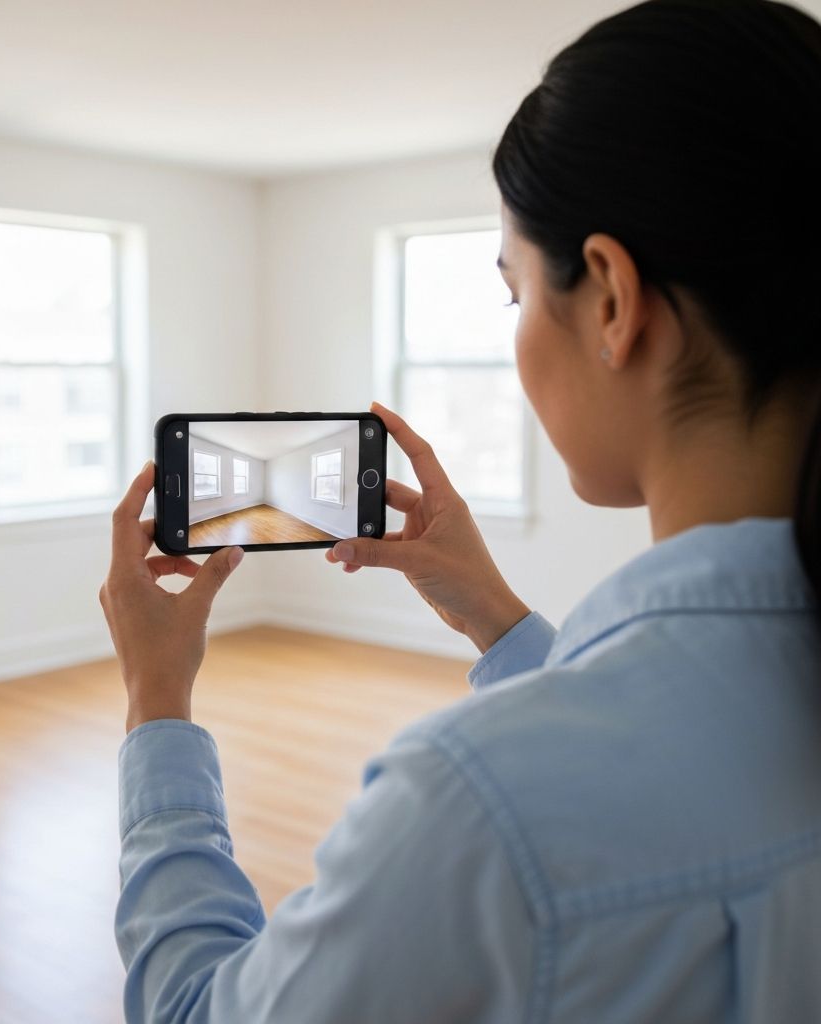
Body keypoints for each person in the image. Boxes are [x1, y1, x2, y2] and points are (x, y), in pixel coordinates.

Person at [98, 0, 821, 1019]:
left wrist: (156, 704)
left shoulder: (477, 800)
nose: (517, 330)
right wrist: (499, 619)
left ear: (612, 300)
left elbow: (192, 1010)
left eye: (513, 293)